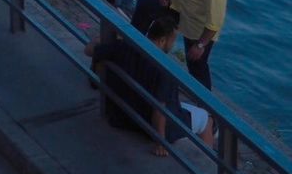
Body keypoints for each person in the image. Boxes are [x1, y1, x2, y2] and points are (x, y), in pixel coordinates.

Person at [86, 12, 215, 157]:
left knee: (184, 107)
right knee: (206, 119)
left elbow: (88, 50)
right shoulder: (164, 70)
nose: (172, 45)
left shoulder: (123, 47)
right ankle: (207, 162)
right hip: (147, 123)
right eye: (172, 41)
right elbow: (159, 109)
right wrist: (161, 142)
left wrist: (103, 40)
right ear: (162, 40)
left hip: (121, 114)